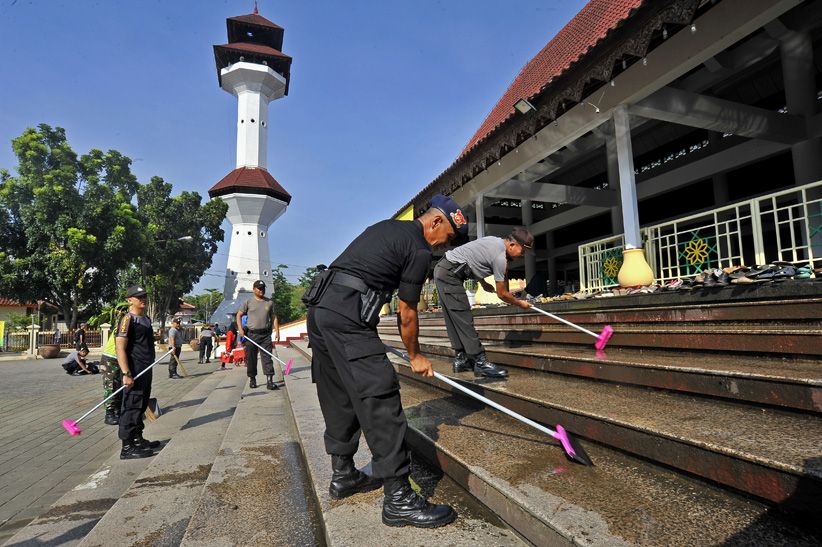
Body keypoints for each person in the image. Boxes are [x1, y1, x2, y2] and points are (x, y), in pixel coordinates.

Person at [305, 194, 466, 528]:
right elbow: (407, 311)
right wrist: (415, 356)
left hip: (321, 311)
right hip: (347, 315)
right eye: (447, 237)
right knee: (379, 396)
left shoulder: (388, 228)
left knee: (339, 395)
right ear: (435, 222)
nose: (442, 247)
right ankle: (399, 499)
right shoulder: (419, 248)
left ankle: (344, 474)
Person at [433, 227, 534, 379]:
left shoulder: (494, 241)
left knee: (454, 319)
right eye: (522, 251)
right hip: (450, 274)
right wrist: (521, 304)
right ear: (512, 245)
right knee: (463, 317)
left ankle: (461, 359)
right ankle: (480, 362)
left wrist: (482, 282)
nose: (522, 255)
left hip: (443, 268)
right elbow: (502, 294)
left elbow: (473, 256)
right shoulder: (500, 257)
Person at [116, 285, 161, 459]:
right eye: (138, 297)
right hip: (133, 370)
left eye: (144, 296)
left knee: (141, 405)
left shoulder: (146, 319)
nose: (142, 299)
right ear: (129, 300)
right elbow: (120, 348)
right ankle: (126, 447)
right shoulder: (127, 320)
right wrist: (126, 373)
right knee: (131, 406)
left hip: (146, 368)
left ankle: (137, 439)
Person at [236, 281, 280, 390]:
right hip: (251, 335)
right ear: (254, 289)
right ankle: (252, 379)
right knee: (251, 358)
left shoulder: (269, 302)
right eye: (259, 288)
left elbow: (274, 317)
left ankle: (269, 381)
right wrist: (240, 329)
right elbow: (239, 314)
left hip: (265, 335)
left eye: (263, 288)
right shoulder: (248, 302)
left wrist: (277, 331)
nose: (261, 290)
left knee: (267, 357)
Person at [100, 324, 123, 425]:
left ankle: (118, 412)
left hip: (119, 359)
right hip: (110, 359)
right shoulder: (122, 327)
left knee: (119, 387)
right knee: (111, 387)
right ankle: (109, 414)